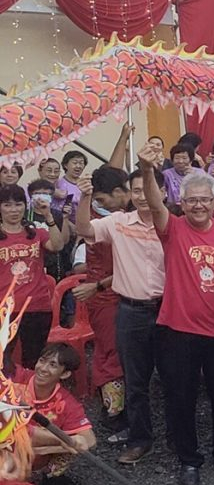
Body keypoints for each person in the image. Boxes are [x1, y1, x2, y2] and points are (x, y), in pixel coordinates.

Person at [138, 143, 214, 485]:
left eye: (205, 199)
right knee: (180, 397)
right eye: (192, 199)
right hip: (177, 330)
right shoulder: (173, 228)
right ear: (182, 202)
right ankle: (188, 459)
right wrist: (145, 169)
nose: (199, 205)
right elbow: (155, 203)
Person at [75, 167, 165, 465]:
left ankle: (182, 439)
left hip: (169, 310)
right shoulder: (118, 222)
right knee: (136, 381)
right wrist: (85, 197)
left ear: (161, 192)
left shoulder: (174, 225)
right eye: (135, 190)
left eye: (146, 190)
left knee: (176, 379)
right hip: (131, 311)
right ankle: (141, 439)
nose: (141, 196)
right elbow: (86, 230)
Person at [70, 168, 126, 430]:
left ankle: (115, 408)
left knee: (112, 352)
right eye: (96, 201)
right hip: (104, 297)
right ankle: (114, 410)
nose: (98, 206)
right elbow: (82, 228)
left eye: (101, 200)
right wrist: (84, 196)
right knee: (109, 352)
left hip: (111, 293)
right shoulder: (106, 219)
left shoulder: (121, 220)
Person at [0, 184, 67, 369]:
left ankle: (30, 395)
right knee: (2, 359)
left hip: (37, 307)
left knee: (34, 358)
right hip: (5, 309)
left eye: (18, 204)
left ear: (25, 205)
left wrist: (48, 217)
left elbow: (58, 245)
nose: (14, 210)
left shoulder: (36, 233)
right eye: (7, 205)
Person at [18, 343, 96, 485]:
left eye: (52, 365)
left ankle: (51, 475)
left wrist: (50, 448)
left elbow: (90, 441)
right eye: (42, 361)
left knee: (74, 444)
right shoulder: (17, 380)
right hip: (9, 445)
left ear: (65, 374)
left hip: (37, 452)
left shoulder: (67, 403)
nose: (43, 368)